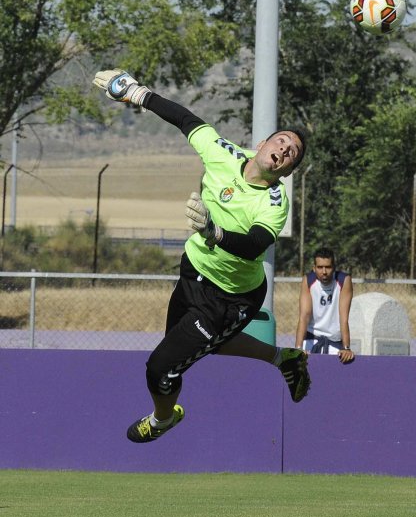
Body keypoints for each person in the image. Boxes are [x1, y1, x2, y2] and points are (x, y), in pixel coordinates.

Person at [93, 68, 311, 443]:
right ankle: (284, 359)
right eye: (281, 141)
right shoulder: (223, 153)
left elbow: (254, 245)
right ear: (262, 142)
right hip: (193, 272)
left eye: (291, 153)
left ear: (288, 170)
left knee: (160, 367)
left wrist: (214, 231)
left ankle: (163, 419)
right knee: (198, 345)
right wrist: (134, 92)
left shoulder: (274, 202)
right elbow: (184, 118)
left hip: (232, 297)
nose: (283, 150)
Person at [295, 247, 355, 364]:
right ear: (314, 268)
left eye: (328, 267)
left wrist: (346, 348)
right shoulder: (308, 280)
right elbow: (304, 317)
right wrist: (298, 348)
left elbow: (344, 318)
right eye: (320, 267)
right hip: (311, 339)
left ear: (334, 267)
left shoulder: (344, 280)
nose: (324, 271)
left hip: (335, 342)